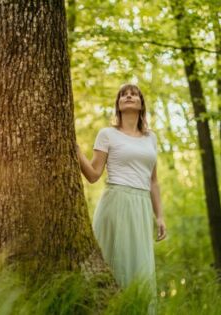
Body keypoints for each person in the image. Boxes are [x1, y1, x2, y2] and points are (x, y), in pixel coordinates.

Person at [76, 83, 166, 303]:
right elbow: (94, 174)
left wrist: (160, 216)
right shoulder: (107, 134)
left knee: (139, 268)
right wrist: (76, 150)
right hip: (115, 202)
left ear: (141, 104)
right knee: (112, 264)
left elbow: (153, 181)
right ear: (117, 104)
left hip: (142, 206)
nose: (128, 96)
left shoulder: (151, 138)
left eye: (134, 94)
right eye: (123, 94)